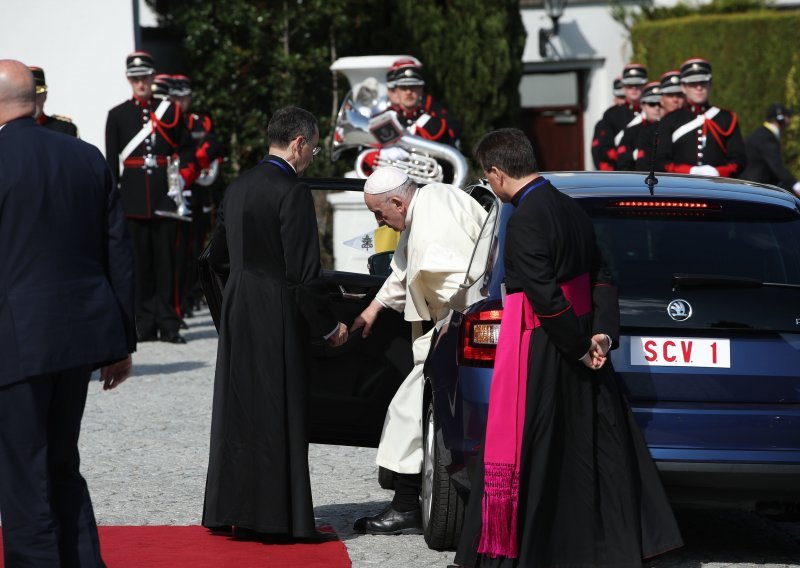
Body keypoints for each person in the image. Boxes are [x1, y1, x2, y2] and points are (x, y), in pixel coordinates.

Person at [454, 128, 683, 567]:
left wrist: (579, 346)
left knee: (535, 450)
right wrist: (601, 333)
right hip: (578, 339)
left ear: (498, 173)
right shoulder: (571, 208)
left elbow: (542, 295)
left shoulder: (524, 217)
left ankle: (534, 550)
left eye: (489, 177)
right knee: (584, 451)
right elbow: (601, 275)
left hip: (541, 347)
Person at [0, 59, 136, 567]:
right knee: (62, 463)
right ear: (33, 100)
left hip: (15, 338)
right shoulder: (84, 156)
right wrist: (121, 341)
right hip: (79, 335)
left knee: (22, 474)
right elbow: (118, 251)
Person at [202, 106, 348, 539]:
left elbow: (215, 257)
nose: (312, 158)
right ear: (299, 143)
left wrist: (228, 303)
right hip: (276, 309)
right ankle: (277, 518)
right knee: (278, 408)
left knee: (240, 409)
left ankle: (232, 510)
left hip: (239, 306)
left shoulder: (238, 185)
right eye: (315, 148)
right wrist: (329, 326)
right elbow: (304, 276)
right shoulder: (292, 191)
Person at [351, 166, 488, 535]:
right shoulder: (436, 197)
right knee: (409, 409)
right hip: (458, 325)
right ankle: (405, 502)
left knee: (409, 410)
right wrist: (372, 310)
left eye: (380, 214)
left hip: (459, 329)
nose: (381, 222)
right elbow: (402, 271)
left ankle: (405, 507)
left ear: (397, 201)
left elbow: (457, 285)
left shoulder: (432, 226)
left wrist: (449, 330)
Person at [105, 51, 200, 344]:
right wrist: (112, 202)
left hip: (164, 197)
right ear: (129, 80)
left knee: (167, 264)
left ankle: (169, 323)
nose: (141, 83)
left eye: (144, 77)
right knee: (140, 266)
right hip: (133, 200)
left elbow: (186, 151)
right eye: (135, 78)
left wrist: (180, 177)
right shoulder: (117, 115)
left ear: (151, 77)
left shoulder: (169, 111)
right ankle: (144, 324)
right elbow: (111, 164)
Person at [172, 74, 222, 318]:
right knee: (178, 248)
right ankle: (180, 298)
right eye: (177, 98)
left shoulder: (201, 121)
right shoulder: (170, 124)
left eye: (185, 97)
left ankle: (193, 294)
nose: (182, 102)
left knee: (196, 245)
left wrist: (197, 164)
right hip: (178, 190)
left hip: (199, 190)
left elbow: (212, 147)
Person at [655, 58, 746, 177]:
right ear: (683, 87)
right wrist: (689, 171)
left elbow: (739, 160)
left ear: (710, 84)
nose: (699, 87)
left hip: (718, 188)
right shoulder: (669, 121)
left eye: (703, 82)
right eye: (693, 83)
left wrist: (718, 172)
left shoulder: (726, 119)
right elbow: (662, 161)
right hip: (681, 188)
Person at [595, 63, 648, 170]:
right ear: (623, 87)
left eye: (638, 85)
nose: (634, 89)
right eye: (629, 85)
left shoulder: (654, 111)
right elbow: (605, 149)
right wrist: (631, 155)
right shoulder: (612, 114)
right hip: (622, 172)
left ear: (645, 86)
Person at [741, 103, 800, 194]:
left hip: (752, 185)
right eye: (788, 116)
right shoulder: (767, 137)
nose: (790, 119)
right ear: (781, 119)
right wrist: (795, 184)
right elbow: (776, 166)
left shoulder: (761, 133)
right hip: (758, 187)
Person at [616, 81, 663, 171]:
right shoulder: (631, 132)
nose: (657, 108)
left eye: (660, 104)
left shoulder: (669, 129)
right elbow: (623, 163)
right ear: (643, 105)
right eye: (652, 104)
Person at [28, 66, 79, 137]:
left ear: (45, 96)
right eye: (27, 95)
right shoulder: (9, 128)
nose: (32, 100)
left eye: (37, 95)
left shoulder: (64, 129)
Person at [590, 77, 625, 170]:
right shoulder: (603, 123)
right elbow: (598, 155)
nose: (624, 101)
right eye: (621, 98)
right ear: (615, 99)